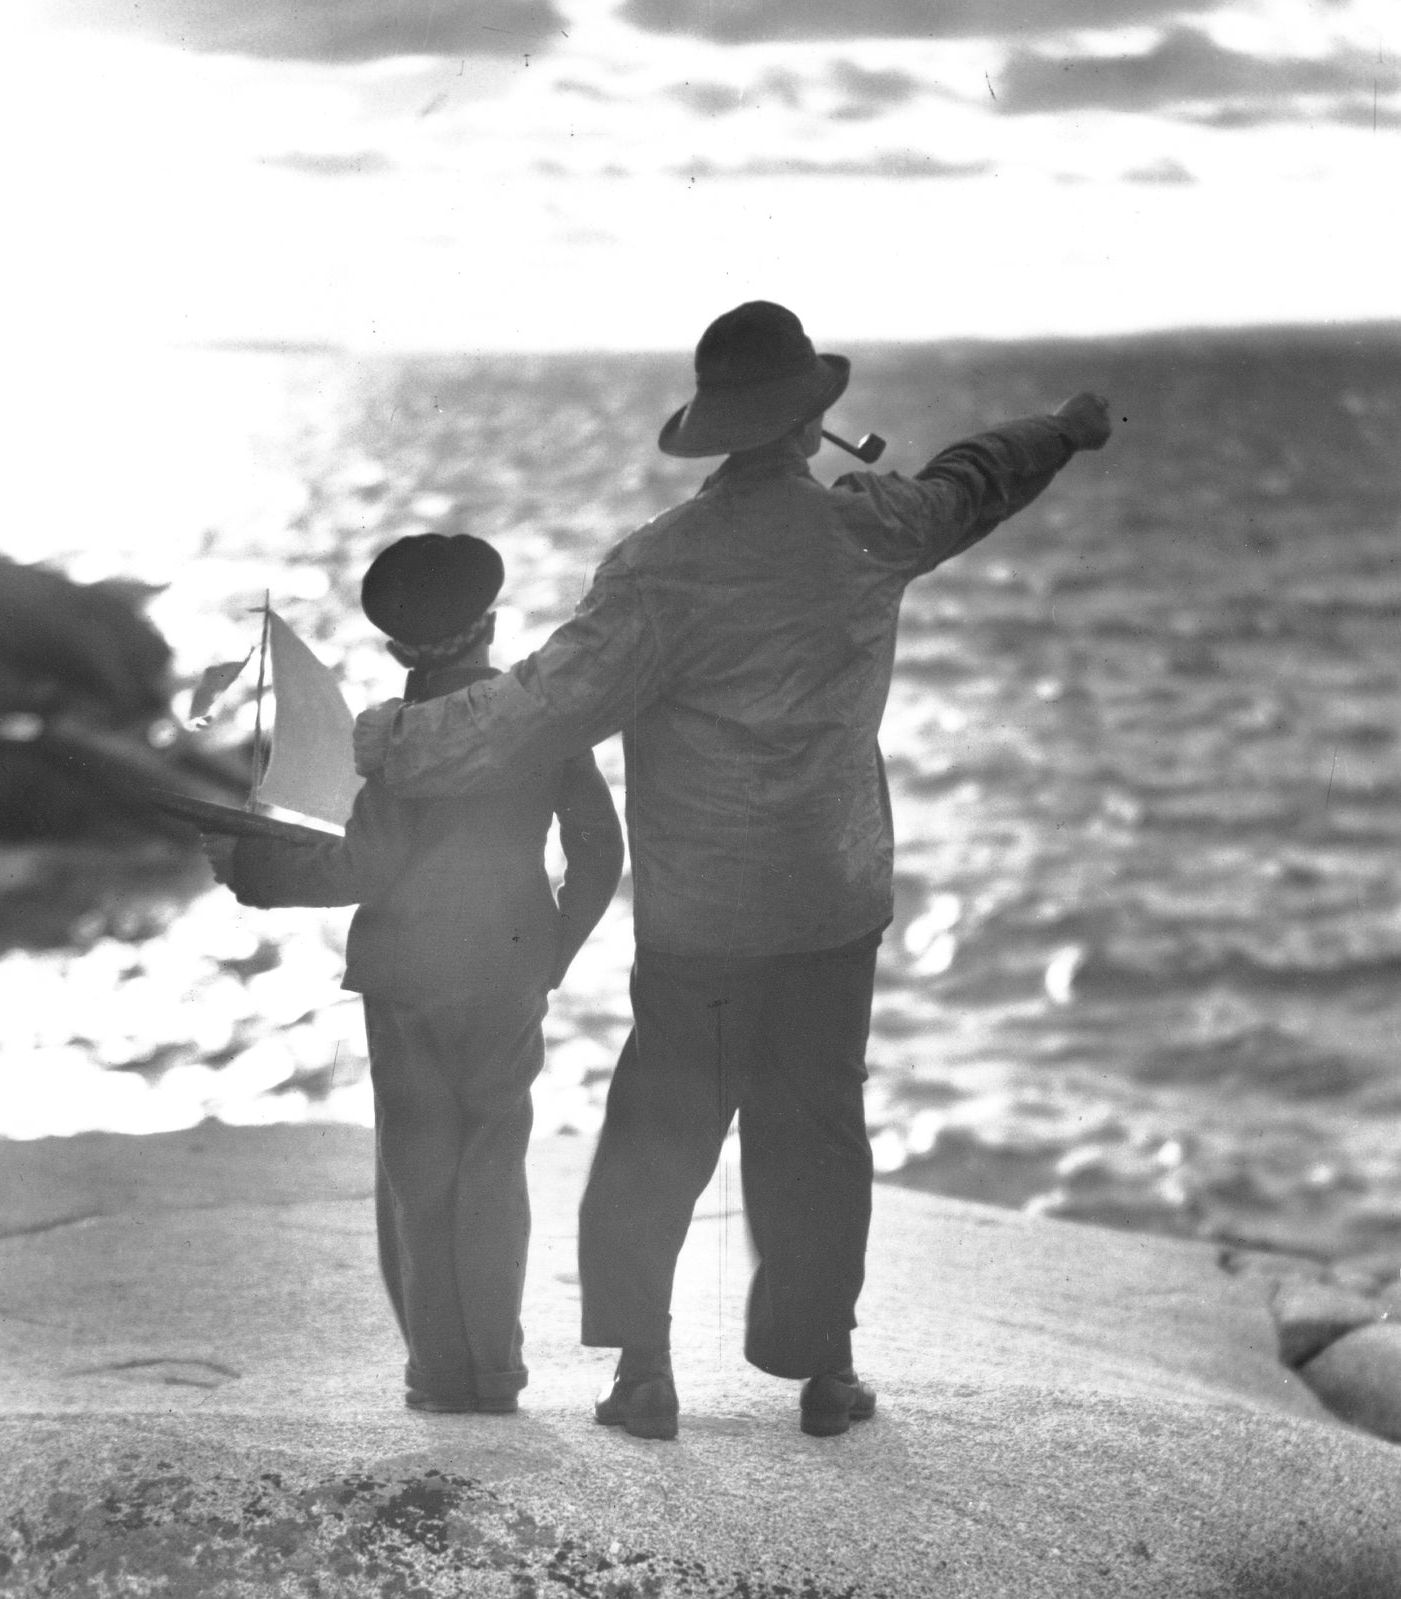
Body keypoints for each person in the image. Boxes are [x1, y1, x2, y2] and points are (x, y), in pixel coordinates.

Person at [353, 302, 1112, 1441]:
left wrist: (386, 741)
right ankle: (825, 1375)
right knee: (816, 1130)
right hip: (829, 899)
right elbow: (972, 478)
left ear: (710, 429)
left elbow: (532, 714)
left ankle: (644, 1372)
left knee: (662, 1123)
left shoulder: (657, 570)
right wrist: (1059, 427)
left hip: (702, 912)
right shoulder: (875, 527)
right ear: (811, 421)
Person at [206, 533, 623, 1414]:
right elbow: (599, 845)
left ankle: (440, 1376)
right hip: (508, 969)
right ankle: (497, 1376)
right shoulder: (538, 719)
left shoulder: (397, 743)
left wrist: (249, 869)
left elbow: (361, 868)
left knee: (419, 1170)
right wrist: (552, 951)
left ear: (397, 649)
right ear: (492, 623)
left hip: (407, 980)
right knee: (493, 1166)